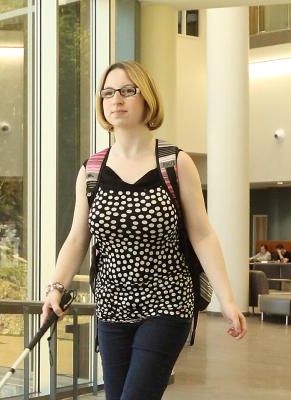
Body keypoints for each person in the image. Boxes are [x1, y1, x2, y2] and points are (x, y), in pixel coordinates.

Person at [41, 61, 246, 400]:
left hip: (167, 301)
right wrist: (55, 287)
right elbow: (78, 237)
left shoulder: (175, 163)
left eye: (127, 90)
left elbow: (202, 234)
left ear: (146, 98)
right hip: (112, 305)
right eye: (108, 92)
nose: (116, 99)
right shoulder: (92, 170)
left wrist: (227, 298)